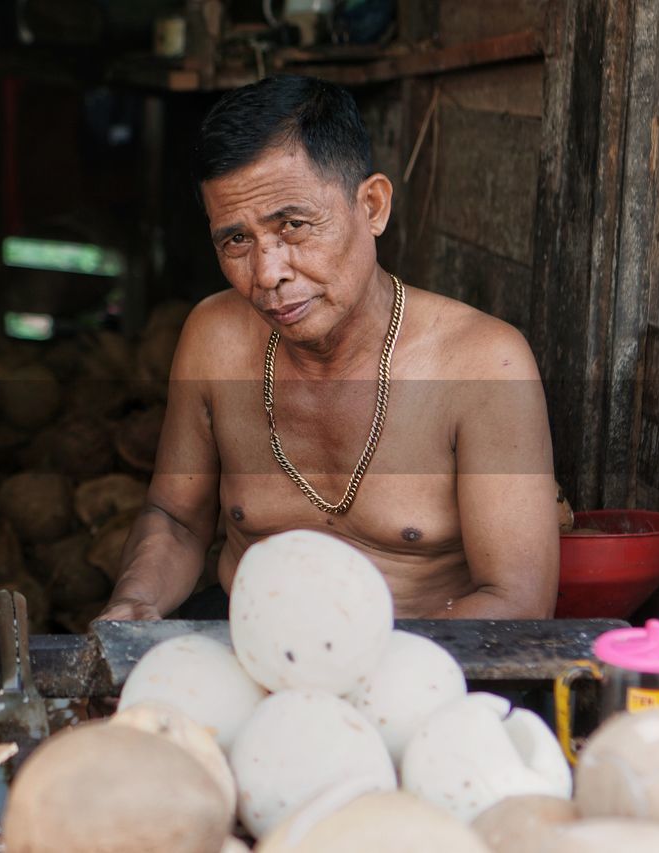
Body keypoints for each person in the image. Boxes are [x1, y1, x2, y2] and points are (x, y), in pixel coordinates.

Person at [97, 75, 558, 622]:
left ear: (373, 206)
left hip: (423, 667)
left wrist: (347, 673)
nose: (267, 275)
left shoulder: (484, 364)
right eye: (236, 240)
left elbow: (517, 601)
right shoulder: (214, 338)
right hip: (248, 644)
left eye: (293, 225)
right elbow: (175, 517)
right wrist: (133, 602)